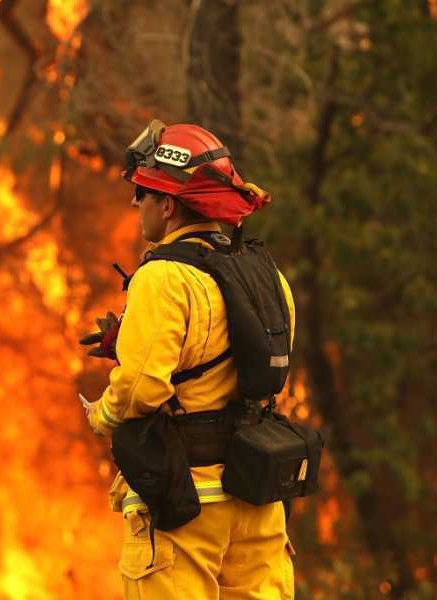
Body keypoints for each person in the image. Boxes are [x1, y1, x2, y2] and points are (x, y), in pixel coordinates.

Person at [81, 121, 297, 599]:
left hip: (188, 507)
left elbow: (140, 390)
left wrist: (101, 415)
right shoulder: (268, 276)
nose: (136, 202)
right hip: (258, 498)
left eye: (144, 192)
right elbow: (249, 360)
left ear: (169, 205)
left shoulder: (164, 278)